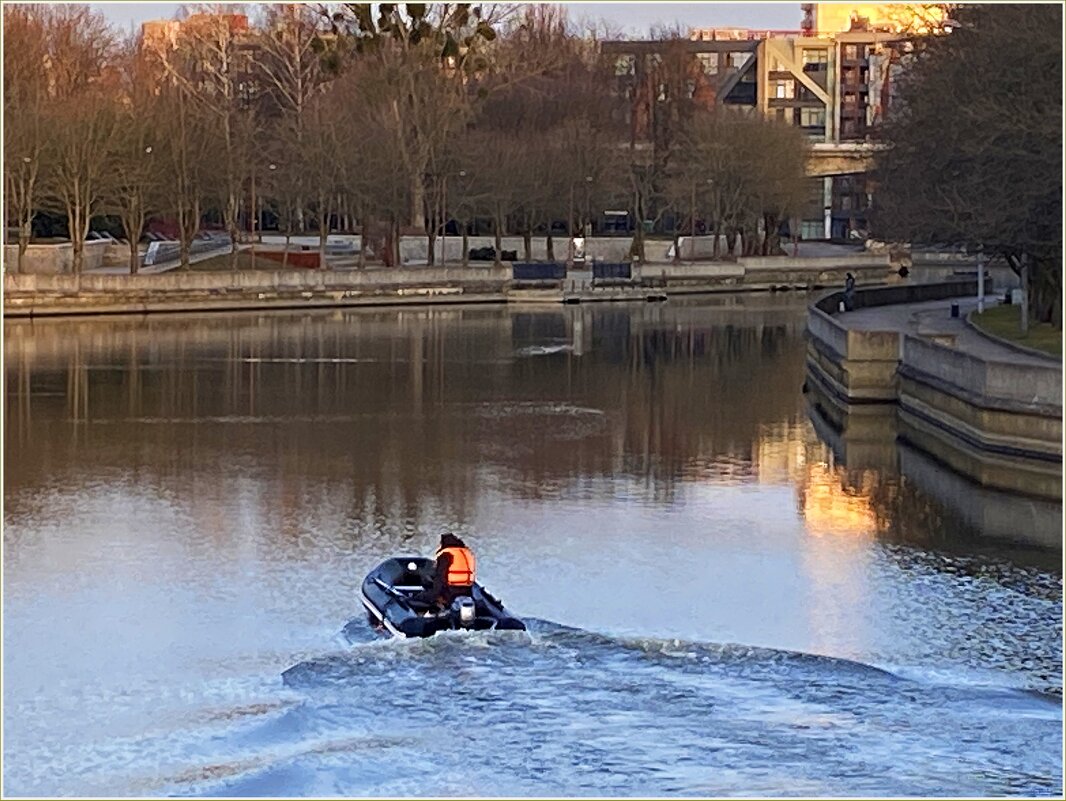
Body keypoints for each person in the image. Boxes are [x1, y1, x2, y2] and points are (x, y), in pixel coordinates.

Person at [412, 533, 477, 609]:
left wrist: (432, 595)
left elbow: (440, 579)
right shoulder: (467, 553)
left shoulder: (446, 555)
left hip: (449, 593)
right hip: (467, 591)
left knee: (418, 598)